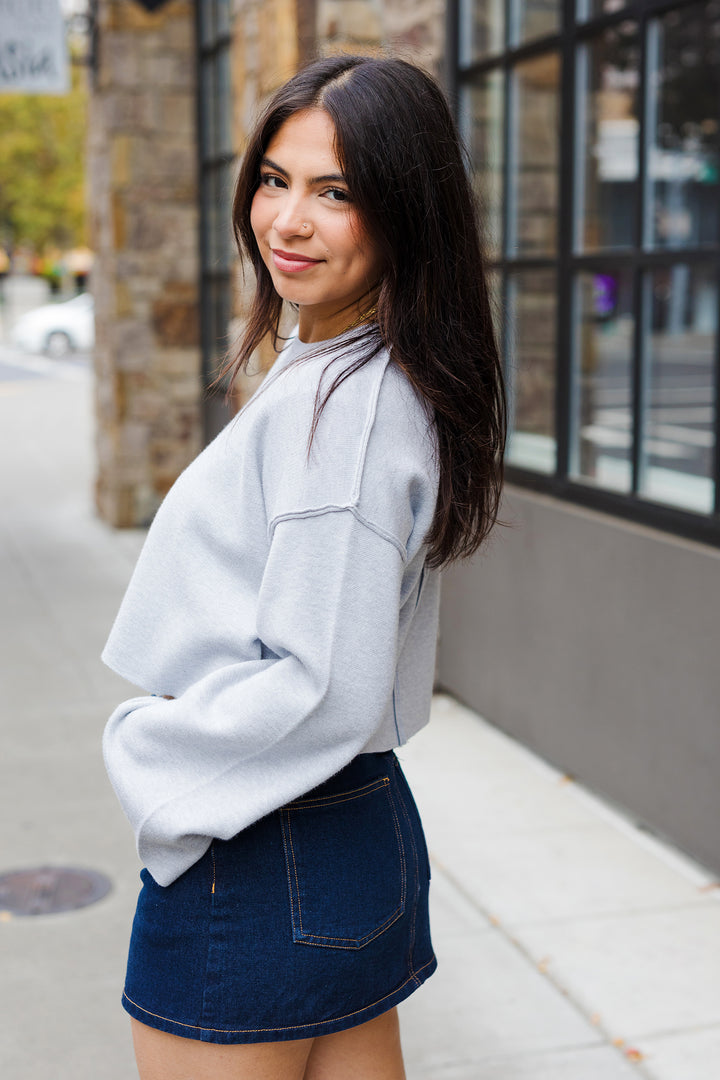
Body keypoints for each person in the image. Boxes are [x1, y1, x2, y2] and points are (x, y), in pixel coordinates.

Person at [101, 54, 505, 1080]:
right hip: (348, 832)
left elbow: (322, 682)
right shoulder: (369, 372)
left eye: (336, 193)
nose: (286, 220)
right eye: (275, 179)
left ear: (405, 211)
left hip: (262, 842)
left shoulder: (348, 413)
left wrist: (154, 757)